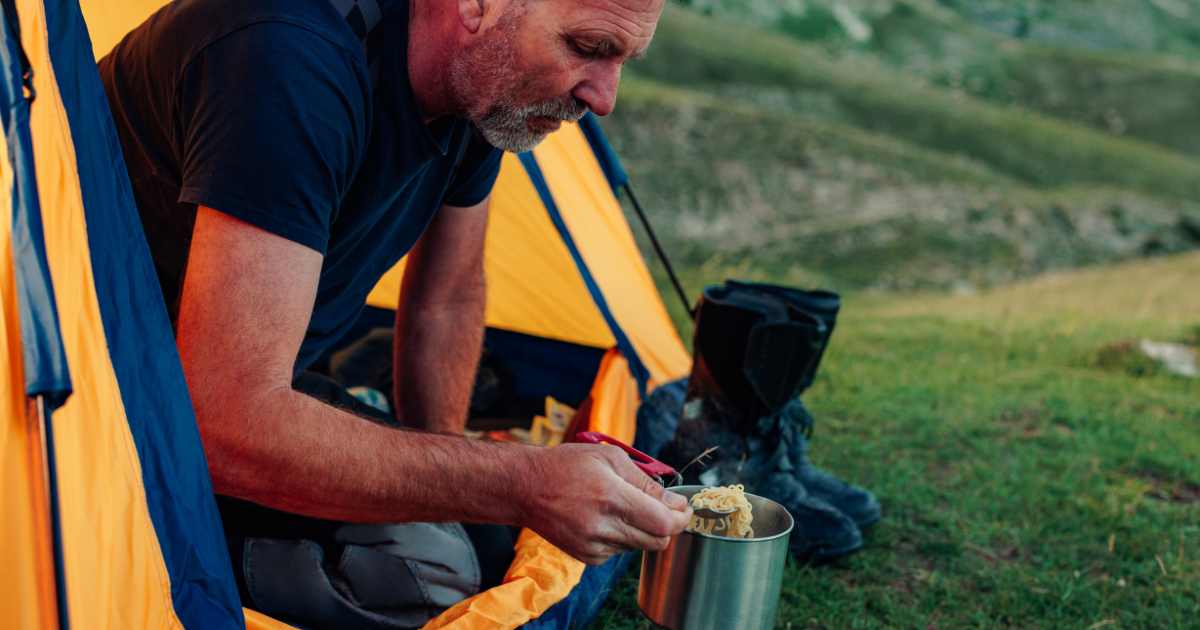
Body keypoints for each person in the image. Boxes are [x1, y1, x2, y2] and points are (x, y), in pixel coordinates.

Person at [99, 0, 687, 626]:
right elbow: (226, 423)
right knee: (431, 571)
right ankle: (178, 576)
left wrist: (459, 490)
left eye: (623, 60)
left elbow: (448, 296)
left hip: (226, 390)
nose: (604, 98)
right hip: (96, 411)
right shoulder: (289, 57)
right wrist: (518, 481)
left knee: (481, 546)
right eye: (588, 48)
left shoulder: (481, 87)